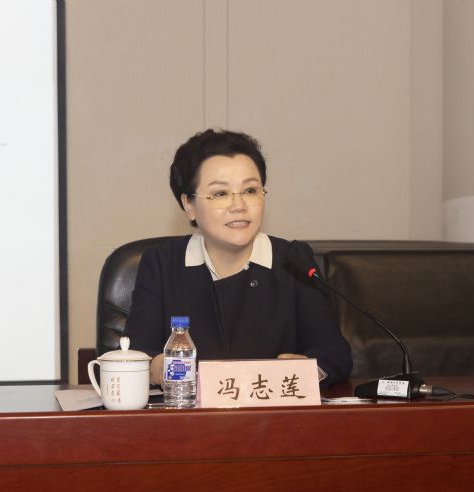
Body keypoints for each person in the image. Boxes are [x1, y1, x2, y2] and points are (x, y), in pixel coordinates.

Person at [124, 129, 352, 387]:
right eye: (220, 194)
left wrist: (308, 371)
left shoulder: (292, 261)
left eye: (250, 190)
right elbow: (136, 356)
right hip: (189, 410)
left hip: (273, 410)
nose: (239, 206)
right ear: (189, 205)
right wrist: (158, 369)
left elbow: (334, 354)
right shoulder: (162, 264)